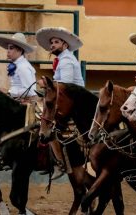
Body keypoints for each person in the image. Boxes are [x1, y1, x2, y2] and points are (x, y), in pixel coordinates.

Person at [36, 27, 85, 180]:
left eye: (56, 42)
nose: (52, 45)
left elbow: (65, 87)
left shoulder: (67, 61)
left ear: (65, 44)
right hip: (67, 99)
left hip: (74, 102)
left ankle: (59, 163)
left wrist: (48, 84)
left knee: (47, 123)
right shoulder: (62, 60)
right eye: (51, 42)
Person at [0, 33, 37, 102]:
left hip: (23, 103)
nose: (8, 51)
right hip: (16, 100)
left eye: (11, 48)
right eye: (8, 48)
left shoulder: (23, 67)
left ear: (20, 50)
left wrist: (9, 92)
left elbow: (30, 91)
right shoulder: (18, 65)